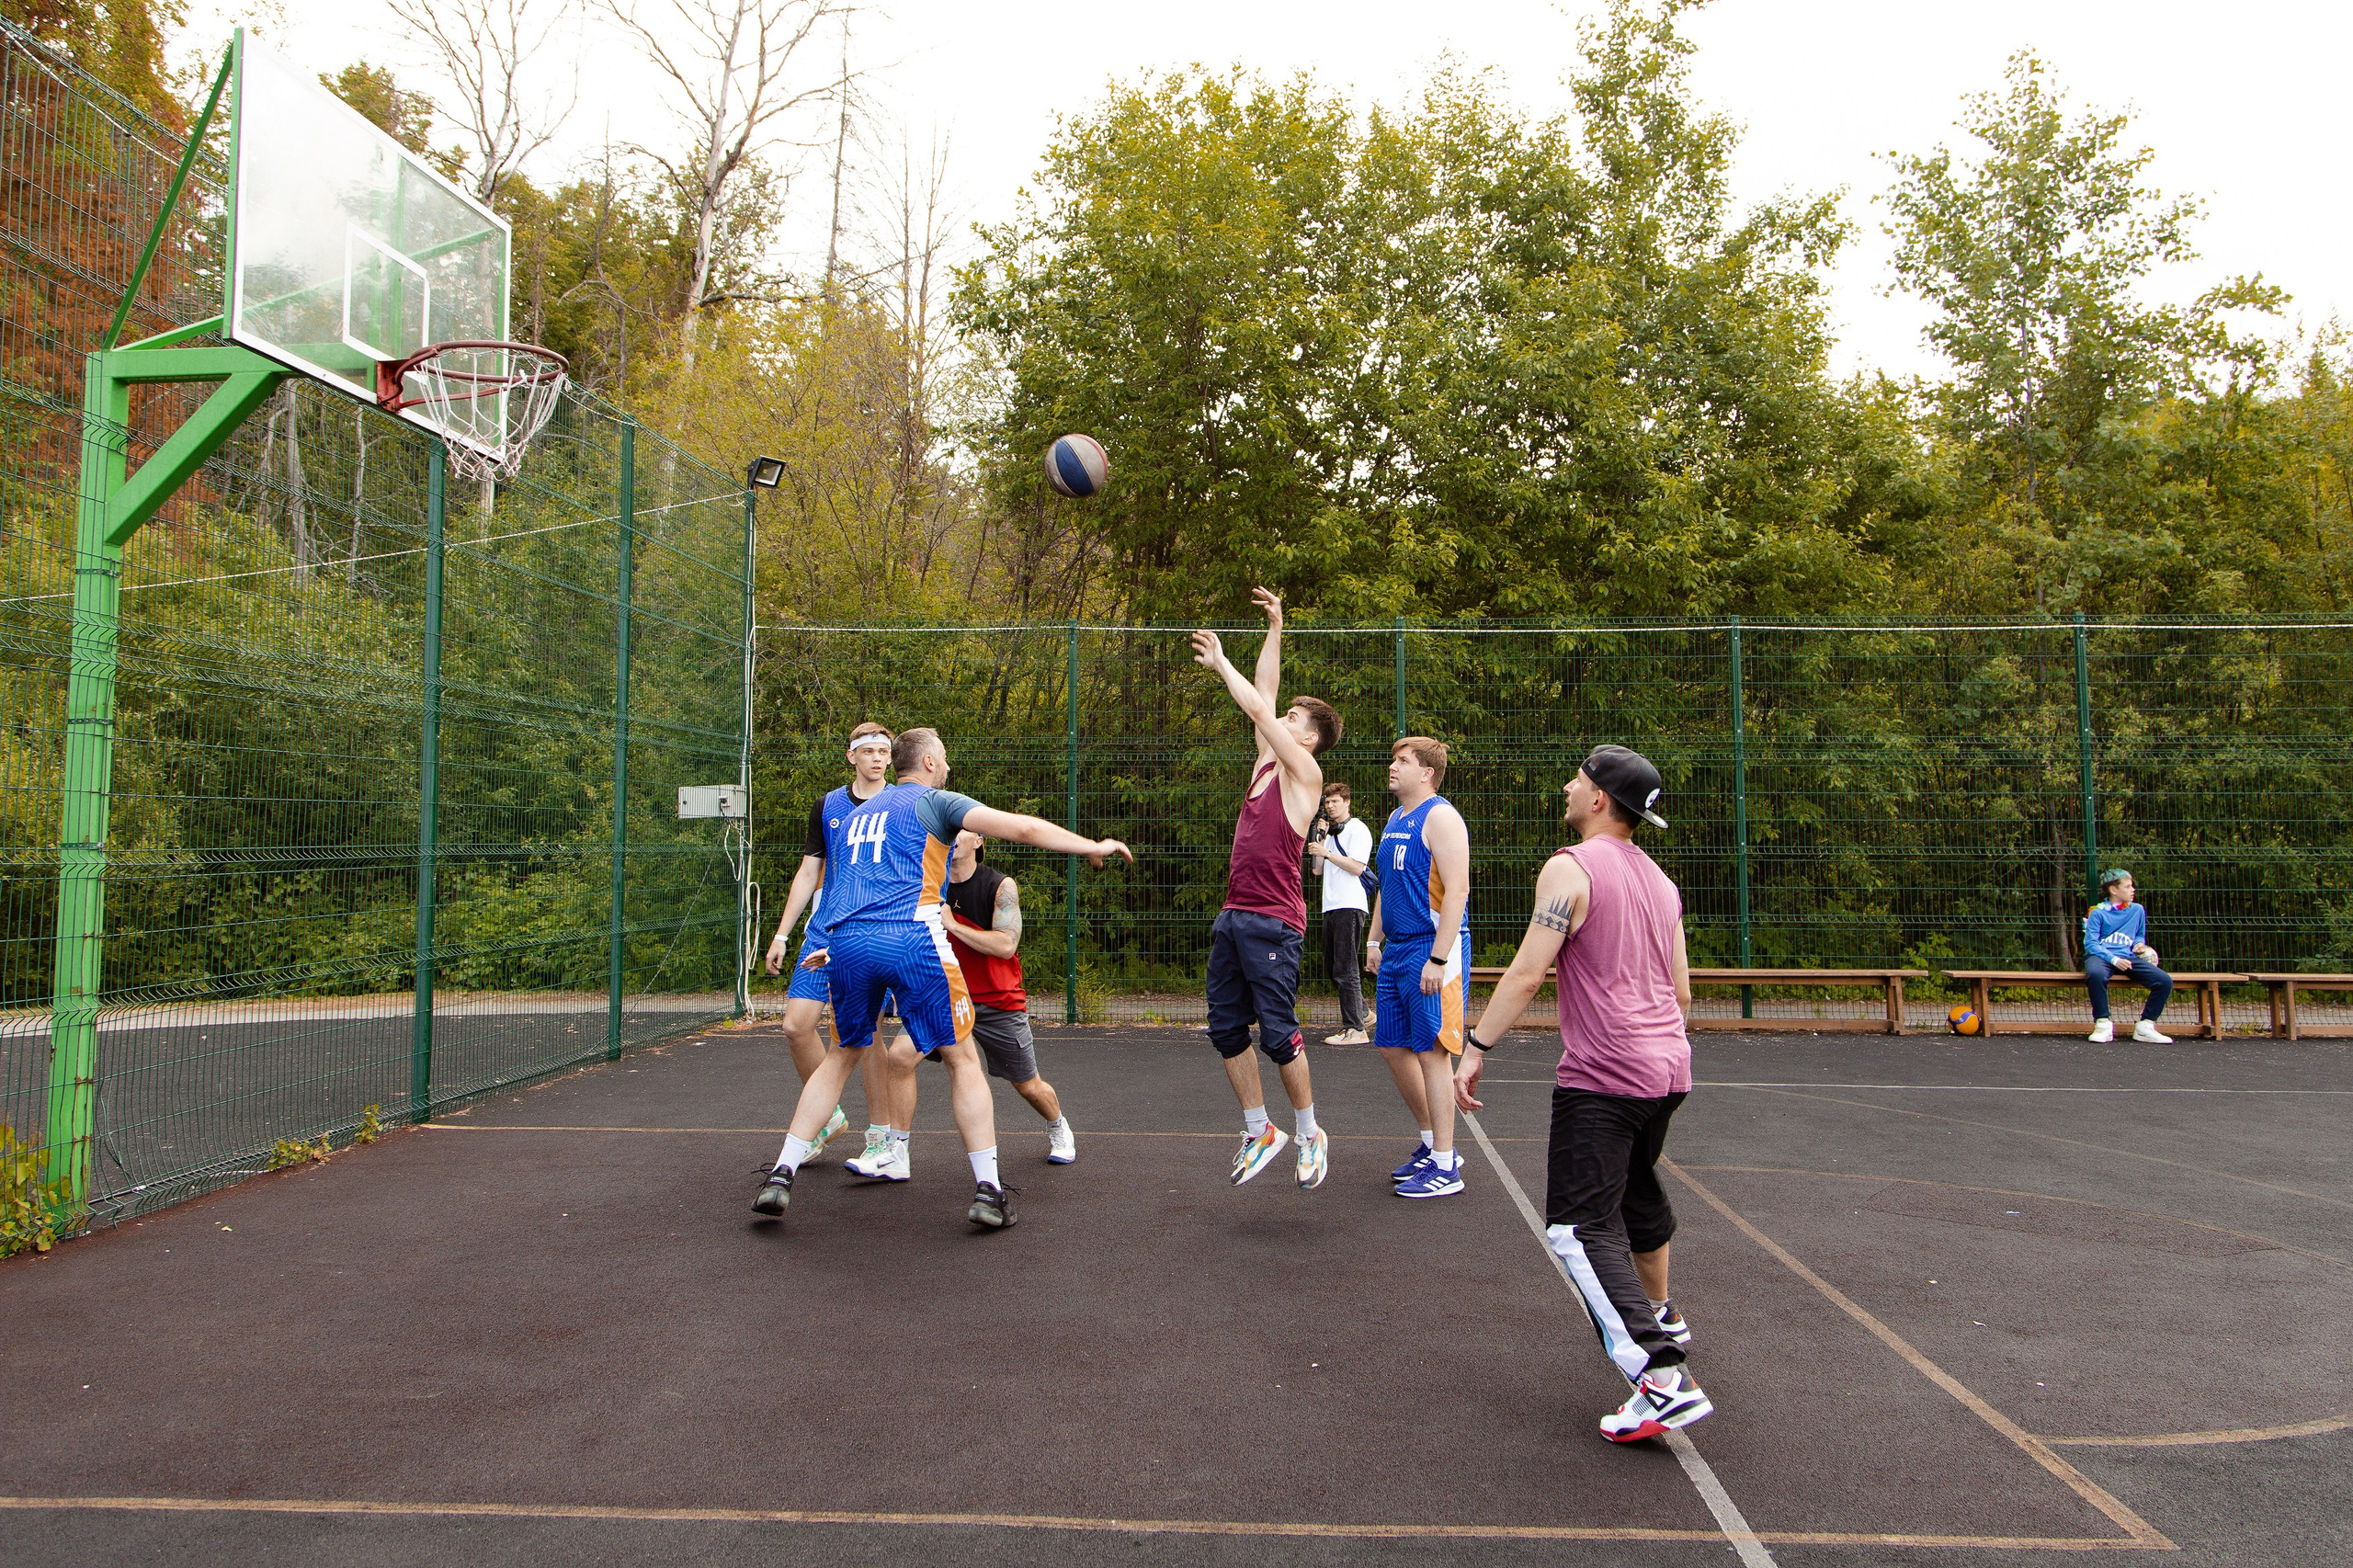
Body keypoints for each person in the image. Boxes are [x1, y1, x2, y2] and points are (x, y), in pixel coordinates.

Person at [751, 728, 1131, 1229]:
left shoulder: (858, 813)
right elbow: (1021, 828)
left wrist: (833, 944)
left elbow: (842, 884)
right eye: (945, 758)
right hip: (910, 936)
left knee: (842, 1054)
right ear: (929, 762)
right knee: (962, 1055)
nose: (947, 765)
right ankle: (989, 1190)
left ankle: (782, 1173)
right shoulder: (934, 801)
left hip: (846, 939)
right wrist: (1089, 845)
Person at [1457, 744, 1712, 1443]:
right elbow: (1682, 990)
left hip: (1607, 1075)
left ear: (1598, 798)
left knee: (1577, 1228)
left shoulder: (1569, 868)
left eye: (1577, 778)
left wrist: (1475, 1049)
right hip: (1669, 1070)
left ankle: (1659, 1376)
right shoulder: (1661, 883)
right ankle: (1662, 1312)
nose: (1568, 785)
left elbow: (1528, 971)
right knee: (1635, 1192)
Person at [1189, 587, 1343, 1189]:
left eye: (1293, 722)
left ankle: (1309, 1131)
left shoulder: (1305, 773)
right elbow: (1267, 693)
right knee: (1225, 1030)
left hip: (1277, 919)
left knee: (1278, 1034)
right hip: (1235, 915)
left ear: (1307, 740)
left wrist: (1222, 662)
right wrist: (1276, 627)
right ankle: (1260, 1130)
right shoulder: (1264, 763)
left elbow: (1258, 707)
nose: (1281, 720)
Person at [759, 722, 899, 1165]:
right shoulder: (829, 807)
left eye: (884, 750)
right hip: (826, 927)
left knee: (866, 1032)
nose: (878, 757)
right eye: (869, 750)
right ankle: (829, 1117)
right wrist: (782, 933)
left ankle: (880, 1136)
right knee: (796, 1026)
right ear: (851, 756)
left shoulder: (902, 804)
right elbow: (807, 872)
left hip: (873, 930)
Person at [926, 828, 1078, 1165]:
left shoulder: (1000, 886)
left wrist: (953, 925)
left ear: (979, 840)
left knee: (1028, 1086)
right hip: (946, 997)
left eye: (960, 831)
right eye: (947, 831)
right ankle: (892, 1144)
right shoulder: (929, 883)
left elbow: (1006, 945)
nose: (952, 837)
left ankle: (1057, 1124)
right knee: (899, 1058)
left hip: (997, 1001)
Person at [1364, 737, 1472, 1198]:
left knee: (1432, 1051)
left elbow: (1459, 891)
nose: (1392, 766)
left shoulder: (1441, 817)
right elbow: (1387, 886)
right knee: (1391, 1045)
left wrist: (1439, 958)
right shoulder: (1394, 819)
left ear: (1426, 772)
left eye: (1403, 761)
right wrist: (1374, 938)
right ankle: (1431, 1142)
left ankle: (1447, 1165)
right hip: (1397, 949)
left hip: (1431, 948)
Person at [1307, 781, 1375, 1045]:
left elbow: (1358, 867)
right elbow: (1317, 871)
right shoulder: (1330, 834)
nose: (1331, 806)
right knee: (1333, 967)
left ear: (1347, 802)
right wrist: (1321, 841)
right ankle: (1364, 1013)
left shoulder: (1358, 829)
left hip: (1350, 904)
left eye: (1336, 801)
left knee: (1346, 968)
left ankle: (1355, 1029)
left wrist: (1327, 853)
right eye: (1328, 802)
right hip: (1331, 905)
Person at [2084, 869, 2173, 1043]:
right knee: (2095, 974)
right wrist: (2114, 960)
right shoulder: (2097, 913)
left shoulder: (2137, 910)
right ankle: (2103, 1025)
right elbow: (2091, 944)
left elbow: (2139, 935)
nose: (2133, 889)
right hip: (2101, 956)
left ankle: (2146, 1027)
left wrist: (2139, 945)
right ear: (2113, 890)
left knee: (2164, 981)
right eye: (2127, 886)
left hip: (2128, 957)